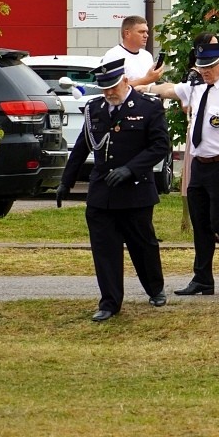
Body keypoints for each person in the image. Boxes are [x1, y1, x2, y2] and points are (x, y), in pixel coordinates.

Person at [146, 35, 219, 294]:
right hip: (199, 164)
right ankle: (203, 279)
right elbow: (170, 90)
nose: (205, 72)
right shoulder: (196, 86)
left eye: (209, 67)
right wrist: (142, 87)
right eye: (201, 67)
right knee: (200, 223)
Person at [56, 59, 169, 321]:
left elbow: (159, 146)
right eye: (104, 88)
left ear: (126, 81)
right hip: (102, 191)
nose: (109, 93)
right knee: (104, 249)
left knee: (143, 245)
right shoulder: (95, 108)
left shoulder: (148, 108)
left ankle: (155, 288)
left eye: (113, 87)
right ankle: (109, 303)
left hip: (135, 190)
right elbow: (84, 144)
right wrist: (66, 180)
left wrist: (131, 169)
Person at [102, 15, 164, 87]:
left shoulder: (147, 55)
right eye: (141, 32)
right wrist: (147, 80)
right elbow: (114, 88)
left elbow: (151, 85)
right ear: (127, 33)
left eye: (146, 32)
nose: (146, 35)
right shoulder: (114, 55)